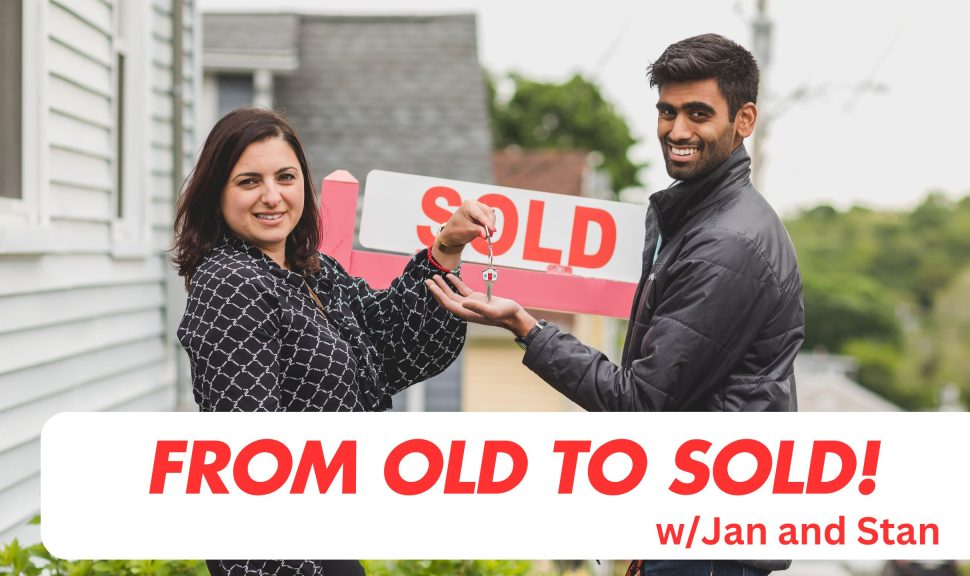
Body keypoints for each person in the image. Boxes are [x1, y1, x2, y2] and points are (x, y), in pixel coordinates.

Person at [426, 33, 803, 576]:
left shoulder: (727, 244)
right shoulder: (701, 222)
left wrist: (525, 326)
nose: (677, 131)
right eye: (667, 112)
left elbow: (641, 405)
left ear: (744, 120)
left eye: (699, 113)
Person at [172, 107, 495, 576]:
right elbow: (247, 456)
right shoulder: (231, 283)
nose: (272, 196)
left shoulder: (313, 271)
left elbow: (390, 339)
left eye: (285, 177)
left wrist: (445, 246)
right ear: (216, 193)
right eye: (248, 181)